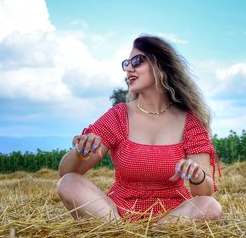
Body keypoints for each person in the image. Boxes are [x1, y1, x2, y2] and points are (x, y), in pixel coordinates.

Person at [57, 35, 222, 223]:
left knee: (211, 206)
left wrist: (198, 176)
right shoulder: (119, 116)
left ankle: (153, 234)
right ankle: (122, 233)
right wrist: (81, 152)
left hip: (171, 219)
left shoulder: (190, 121)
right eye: (126, 63)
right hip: (116, 216)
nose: (128, 68)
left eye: (137, 61)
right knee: (68, 183)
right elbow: (66, 172)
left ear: (160, 64)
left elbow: (204, 193)